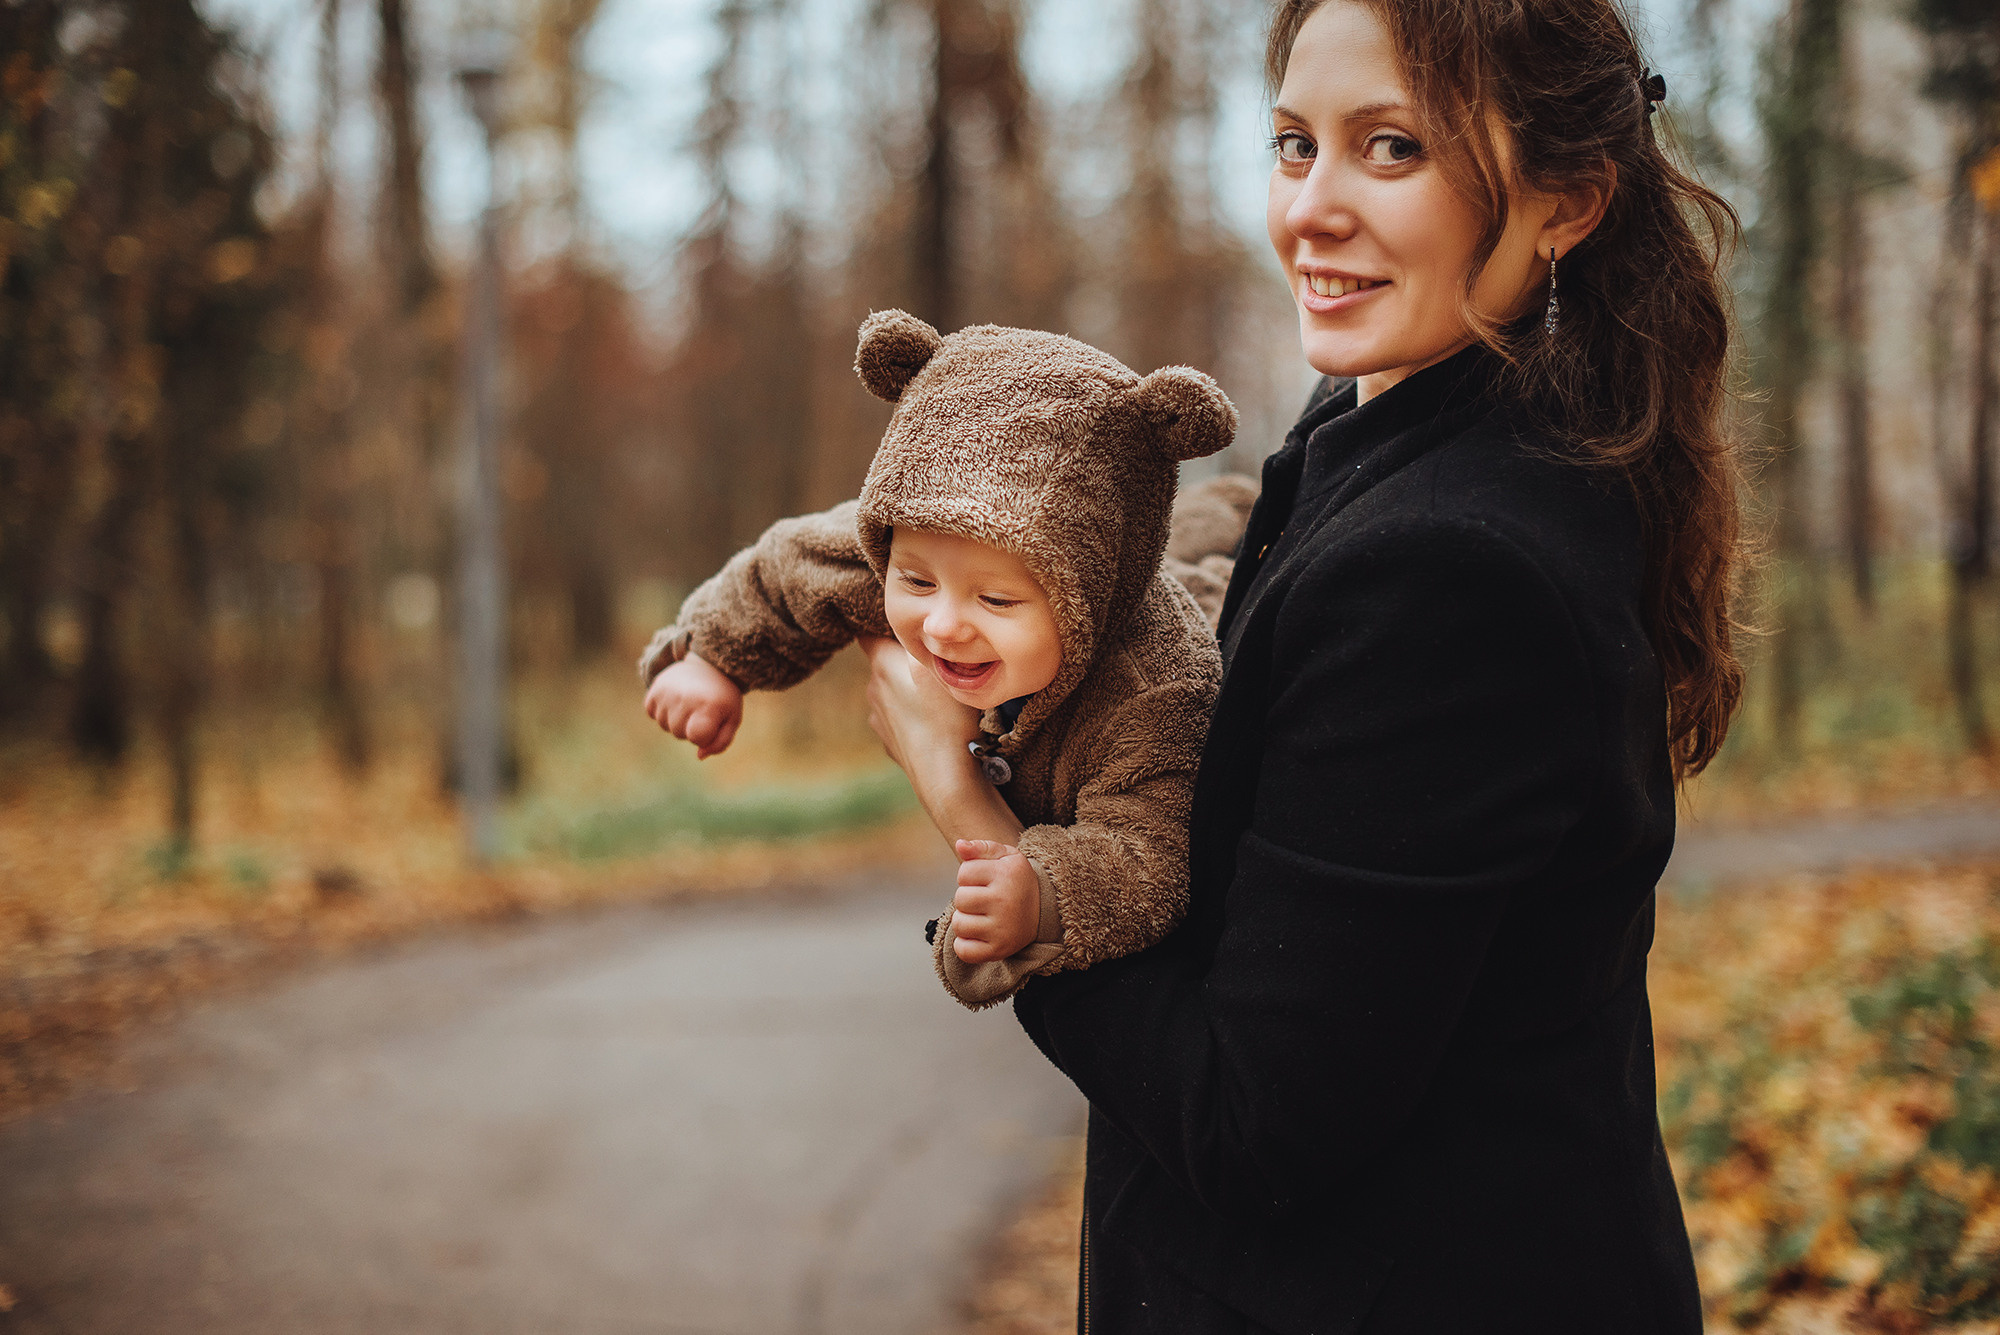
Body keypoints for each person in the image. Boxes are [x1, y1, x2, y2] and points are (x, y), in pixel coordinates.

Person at [858, 0, 1745, 1330]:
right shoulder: (1388, 420)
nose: (1310, 209)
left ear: (1566, 199)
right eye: (1293, 143)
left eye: (1391, 148)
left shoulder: (1455, 566)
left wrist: (980, 811)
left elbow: (1249, 1120)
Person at [642, 309, 1242, 1008]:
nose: (944, 625)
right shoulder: (916, 540)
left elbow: (1152, 855)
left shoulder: (1156, 694)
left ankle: (1226, 516)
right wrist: (712, 657)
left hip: (1206, 605)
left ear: (1089, 595)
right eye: (917, 583)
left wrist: (1046, 893)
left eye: (997, 600)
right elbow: (792, 566)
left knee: (1211, 570)